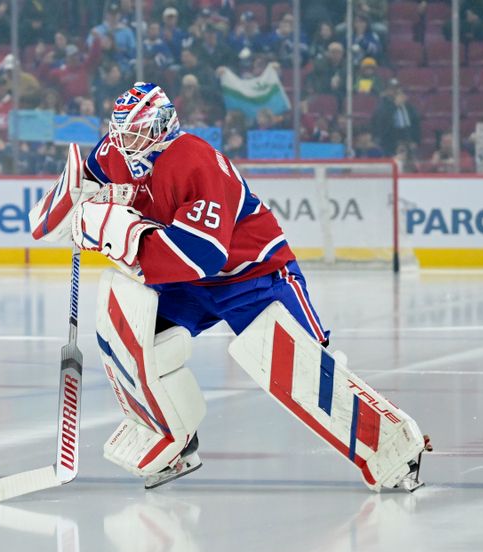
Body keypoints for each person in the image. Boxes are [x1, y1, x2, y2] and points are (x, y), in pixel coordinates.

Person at [59, 82, 428, 490]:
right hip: (189, 288)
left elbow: (202, 255)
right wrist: (74, 203)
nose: (122, 142)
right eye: (120, 131)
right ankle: (173, 441)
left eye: (134, 132)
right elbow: (84, 176)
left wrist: (119, 234)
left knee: (304, 371)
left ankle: (395, 450)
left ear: (161, 127)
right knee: (136, 337)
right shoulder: (120, 152)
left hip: (252, 276)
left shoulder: (194, 161)